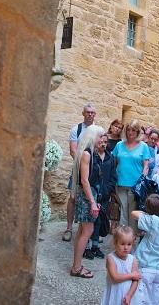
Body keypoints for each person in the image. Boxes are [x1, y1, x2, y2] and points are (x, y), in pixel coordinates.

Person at [70, 125, 106, 278]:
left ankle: (76, 265)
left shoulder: (91, 153)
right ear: (93, 137)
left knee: (82, 230)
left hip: (89, 195)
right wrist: (92, 202)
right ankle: (76, 268)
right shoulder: (87, 154)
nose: (102, 139)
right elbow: (85, 181)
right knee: (88, 231)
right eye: (100, 136)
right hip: (86, 196)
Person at [130, 194, 159, 305]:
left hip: (145, 266)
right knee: (157, 298)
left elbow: (134, 213)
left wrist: (151, 213)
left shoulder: (152, 221)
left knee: (141, 297)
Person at [64, 103, 98, 242]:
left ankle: (85, 229)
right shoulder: (76, 130)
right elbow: (73, 150)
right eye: (87, 112)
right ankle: (69, 227)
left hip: (91, 170)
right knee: (72, 198)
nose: (90, 114)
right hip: (78, 169)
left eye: (92, 112)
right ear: (83, 113)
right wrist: (83, 165)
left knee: (92, 197)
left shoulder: (97, 130)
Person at [113, 120, 151, 234]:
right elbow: (114, 163)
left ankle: (131, 241)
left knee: (133, 213)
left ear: (138, 131)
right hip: (120, 183)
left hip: (135, 186)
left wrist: (142, 181)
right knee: (123, 212)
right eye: (128, 129)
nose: (131, 132)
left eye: (134, 130)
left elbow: (146, 166)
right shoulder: (119, 145)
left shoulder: (143, 146)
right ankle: (123, 240)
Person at [84, 131, 118, 260]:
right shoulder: (92, 157)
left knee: (99, 221)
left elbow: (113, 176)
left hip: (104, 195)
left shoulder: (110, 157)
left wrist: (107, 190)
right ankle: (86, 248)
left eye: (105, 142)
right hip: (93, 193)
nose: (103, 144)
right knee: (90, 221)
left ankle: (95, 246)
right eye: (101, 141)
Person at [101, 226, 141, 305]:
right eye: (122, 244)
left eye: (129, 244)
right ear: (115, 243)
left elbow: (135, 280)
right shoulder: (111, 258)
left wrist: (129, 295)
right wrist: (131, 275)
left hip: (128, 294)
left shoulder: (133, 259)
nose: (126, 247)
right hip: (114, 293)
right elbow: (115, 277)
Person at [147, 129, 159, 196]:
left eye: (155, 139)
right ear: (148, 137)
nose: (153, 141)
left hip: (153, 181)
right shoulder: (142, 148)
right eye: (151, 138)